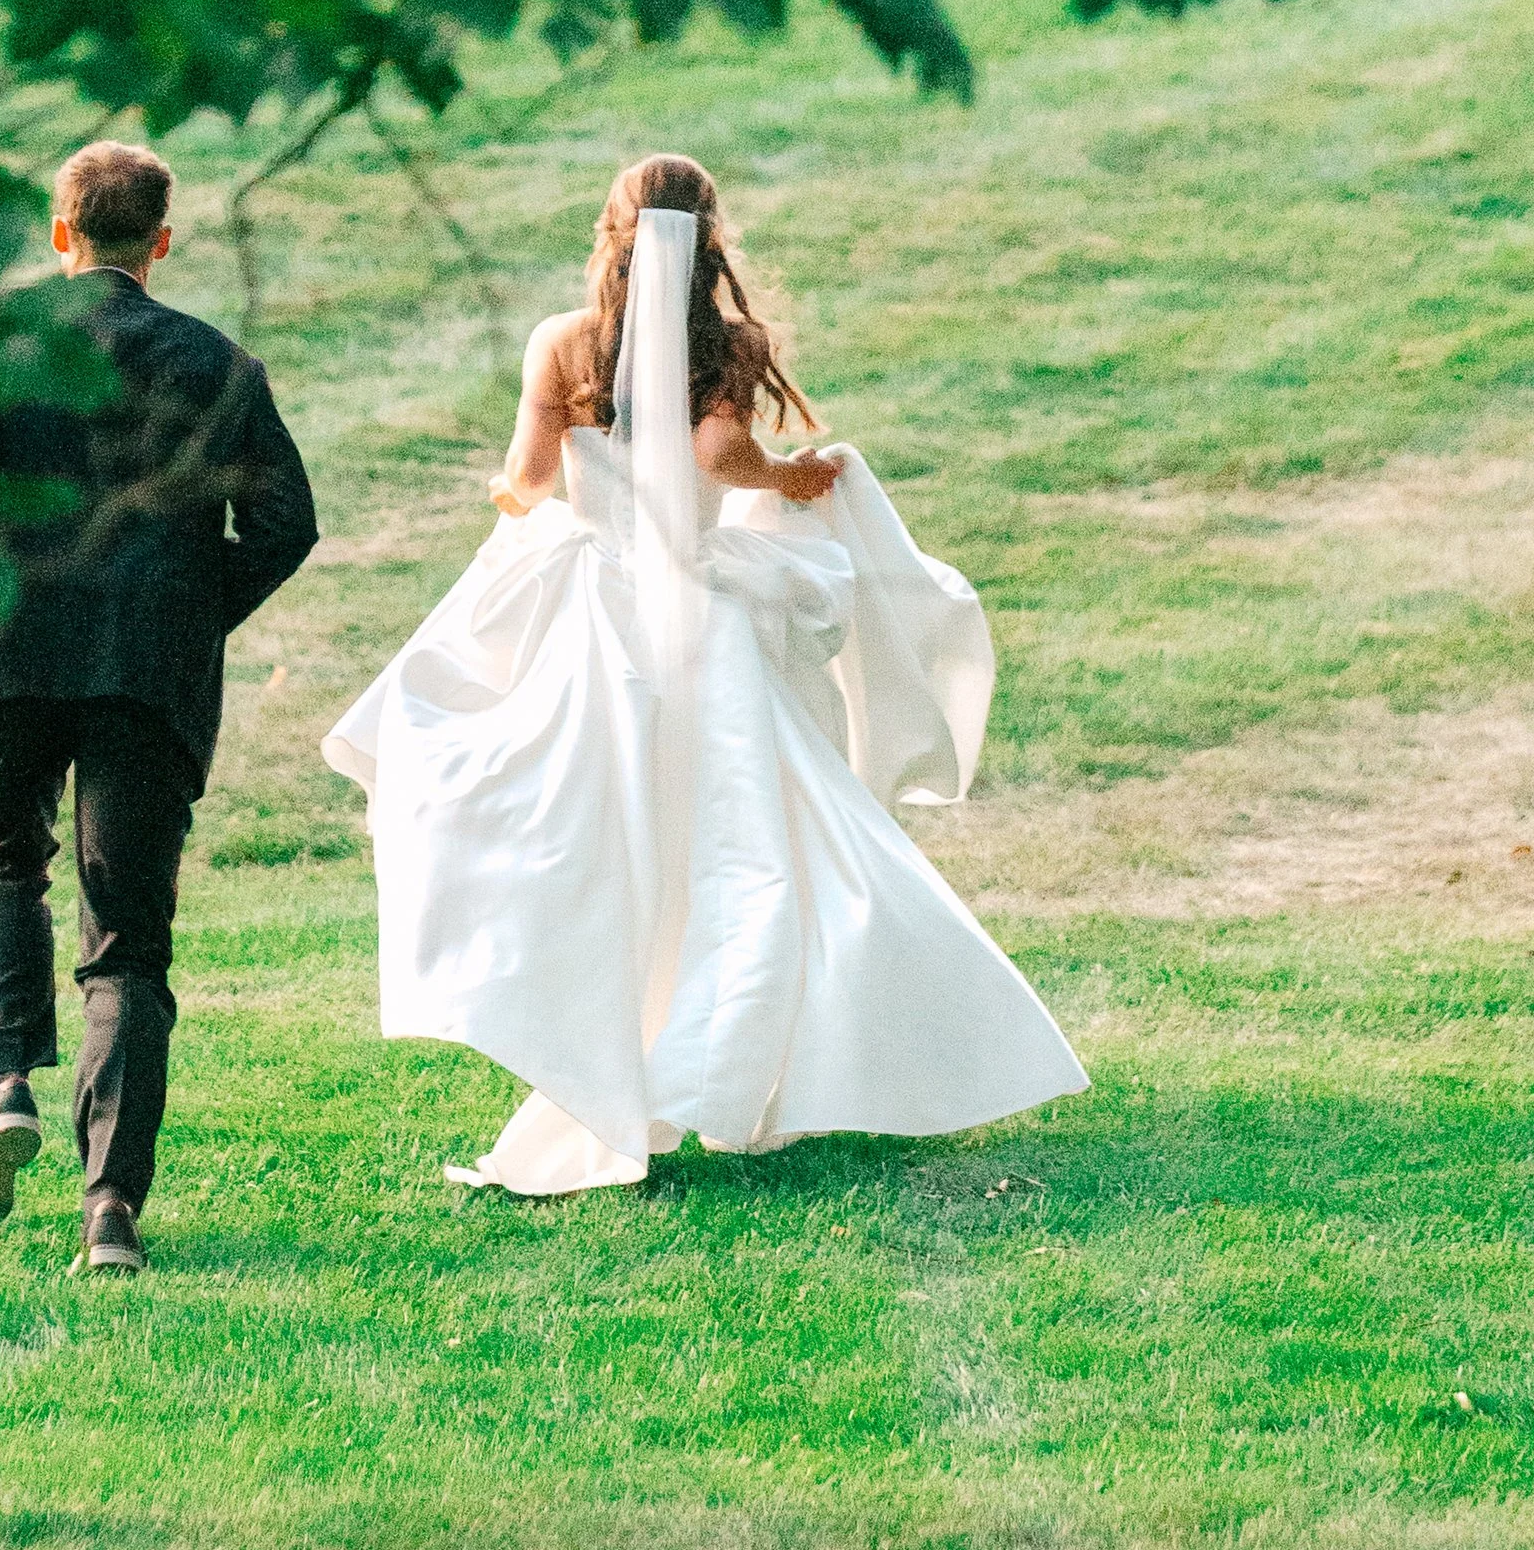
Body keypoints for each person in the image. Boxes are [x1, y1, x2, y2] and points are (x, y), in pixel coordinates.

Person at [324, 154, 1084, 1193]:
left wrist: (509, 489)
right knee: (760, 832)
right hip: (703, 623)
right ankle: (747, 1051)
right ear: (710, 232)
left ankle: (622, 1041)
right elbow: (721, 456)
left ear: (609, 231)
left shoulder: (563, 343)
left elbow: (535, 479)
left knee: (605, 826)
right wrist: (789, 477)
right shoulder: (726, 345)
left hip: (601, 615)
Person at [0, 142, 318, 1272]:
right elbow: (288, 527)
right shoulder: (218, 364)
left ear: (62, 234)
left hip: (4, 648)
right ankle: (110, 1210)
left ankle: (5, 1080)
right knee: (128, 941)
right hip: (147, 674)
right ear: (161, 240)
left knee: (4, 861)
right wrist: (192, 615)